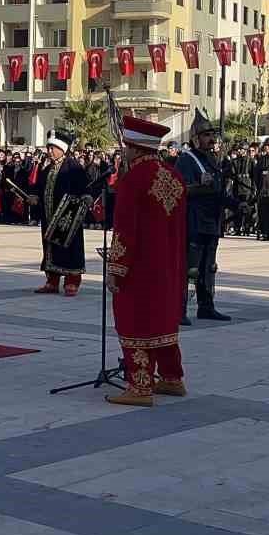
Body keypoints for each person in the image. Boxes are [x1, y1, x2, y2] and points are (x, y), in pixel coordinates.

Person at [104, 115, 188, 407]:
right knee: (162, 320)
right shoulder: (174, 176)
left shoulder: (133, 179)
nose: (123, 151)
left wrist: (116, 268)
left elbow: (125, 229)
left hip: (140, 266)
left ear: (136, 148)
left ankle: (140, 386)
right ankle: (172, 378)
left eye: (127, 146)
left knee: (135, 321)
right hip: (169, 264)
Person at [175, 111, 232, 323]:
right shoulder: (186, 160)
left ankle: (206, 306)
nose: (211, 138)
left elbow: (218, 192)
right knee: (190, 269)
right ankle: (179, 309)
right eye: (206, 135)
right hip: (194, 222)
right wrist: (200, 185)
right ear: (196, 138)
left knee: (209, 267)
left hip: (212, 222)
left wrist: (237, 204)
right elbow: (180, 189)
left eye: (212, 134)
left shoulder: (212, 160)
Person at [29, 128, 90, 297]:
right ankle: (52, 281)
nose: (49, 151)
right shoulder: (48, 169)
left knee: (70, 248)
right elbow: (38, 187)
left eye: (52, 148)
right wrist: (34, 197)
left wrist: (85, 198)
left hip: (68, 218)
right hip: (49, 217)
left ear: (62, 149)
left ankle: (72, 282)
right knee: (50, 248)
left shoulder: (72, 166)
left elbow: (85, 187)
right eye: (48, 148)